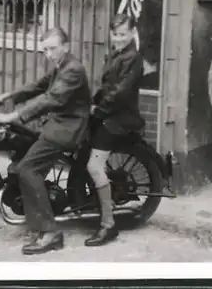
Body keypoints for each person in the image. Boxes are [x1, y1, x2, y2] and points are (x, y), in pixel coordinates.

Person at [0, 27, 91, 255]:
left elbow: (50, 99)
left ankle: (51, 232)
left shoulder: (73, 69)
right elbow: (37, 86)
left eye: (52, 49)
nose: (48, 54)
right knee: (22, 161)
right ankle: (37, 224)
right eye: (45, 50)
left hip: (68, 127)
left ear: (66, 46)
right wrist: (5, 97)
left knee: (27, 169)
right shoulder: (61, 66)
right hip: (58, 123)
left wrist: (11, 115)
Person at [85, 13, 146, 247]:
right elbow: (106, 87)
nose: (118, 38)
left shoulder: (133, 59)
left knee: (94, 165)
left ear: (132, 33)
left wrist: (97, 111)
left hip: (119, 118)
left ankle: (108, 224)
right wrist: (91, 102)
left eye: (122, 34)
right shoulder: (116, 55)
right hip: (108, 113)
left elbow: (121, 93)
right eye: (115, 34)